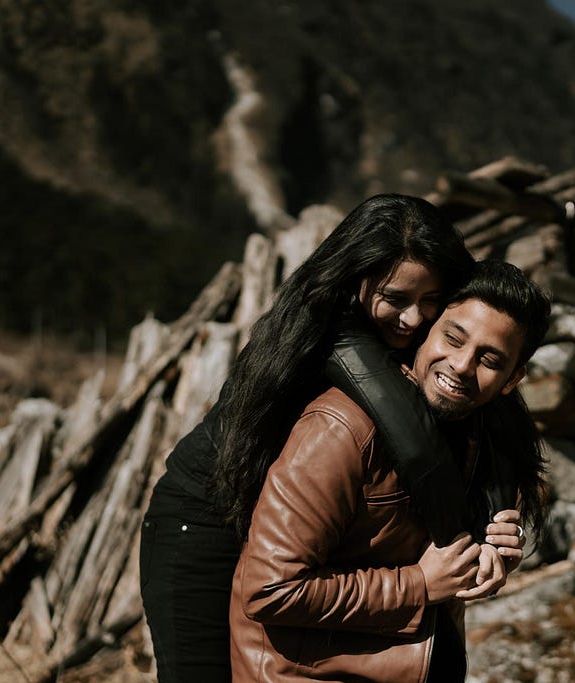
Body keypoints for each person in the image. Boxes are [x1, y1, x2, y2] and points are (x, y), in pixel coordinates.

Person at [139, 195, 533, 683]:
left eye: (431, 301)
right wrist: (454, 548)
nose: (413, 319)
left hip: (277, 531)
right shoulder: (335, 339)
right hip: (203, 519)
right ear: (356, 281)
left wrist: (497, 523)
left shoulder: (441, 350)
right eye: (396, 298)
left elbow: (493, 416)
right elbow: (421, 450)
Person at [229, 259, 551, 682]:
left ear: (512, 380)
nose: (460, 365)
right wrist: (417, 584)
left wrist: (493, 552)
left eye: (489, 360)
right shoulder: (340, 430)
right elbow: (269, 589)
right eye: (453, 338)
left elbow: (437, 553)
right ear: (426, 330)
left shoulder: (480, 437)